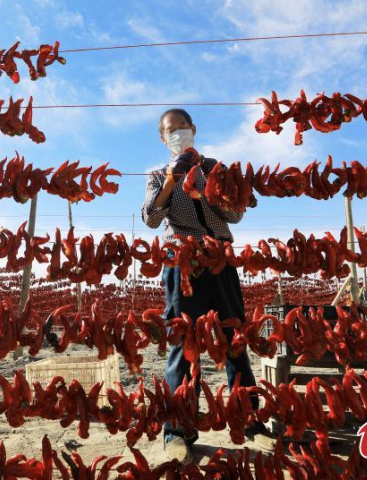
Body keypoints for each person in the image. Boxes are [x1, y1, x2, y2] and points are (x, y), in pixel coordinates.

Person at [141, 109, 272, 464]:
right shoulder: (156, 174)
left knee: (234, 336)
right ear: (163, 139)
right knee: (183, 342)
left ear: (194, 131)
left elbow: (235, 215)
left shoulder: (217, 169)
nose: (178, 135)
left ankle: (251, 422)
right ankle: (177, 429)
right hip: (181, 261)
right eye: (172, 132)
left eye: (183, 129)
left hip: (221, 258)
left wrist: (217, 191)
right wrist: (171, 181)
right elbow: (151, 219)